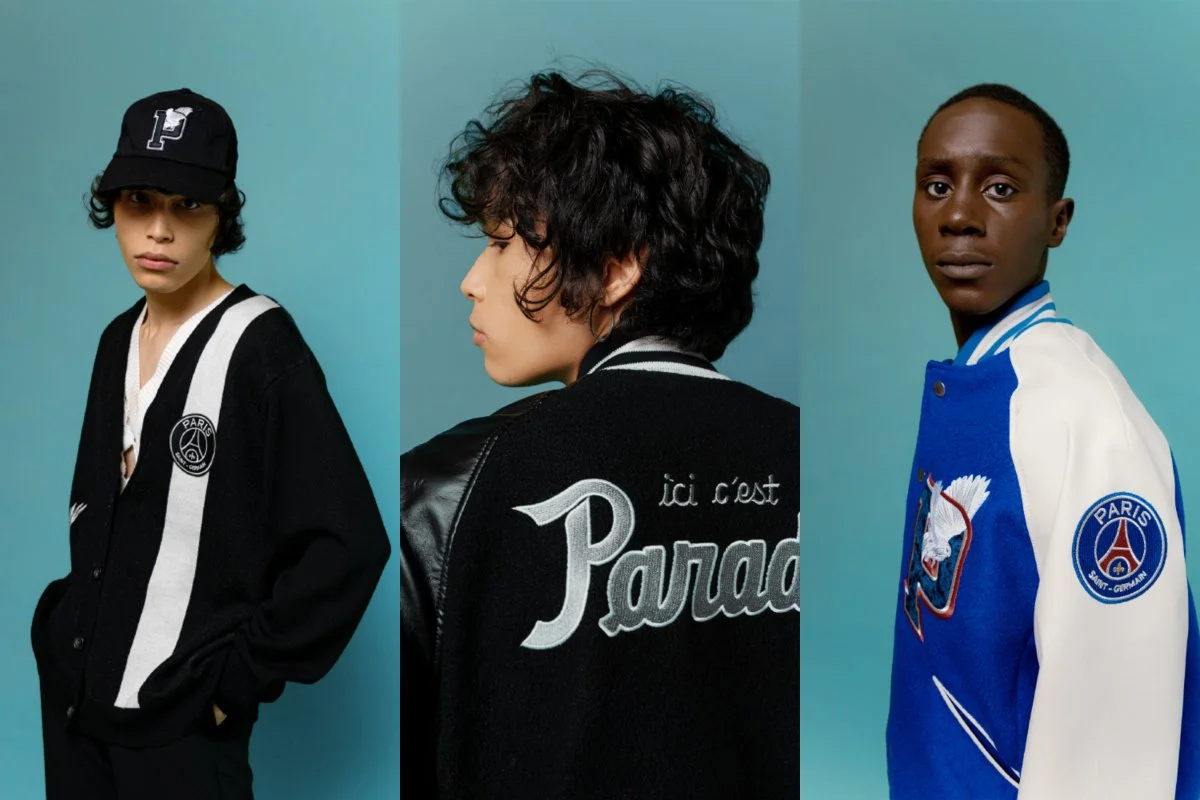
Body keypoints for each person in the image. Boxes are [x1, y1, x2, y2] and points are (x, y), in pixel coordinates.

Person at [400, 70, 799, 798]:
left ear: (615, 271)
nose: (472, 280)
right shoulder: (806, 452)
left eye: (501, 243)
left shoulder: (450, 487)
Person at [30, 88, 392, 799]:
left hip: (181, 721)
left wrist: (234, 681)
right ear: (113, 207)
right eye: (138, 200)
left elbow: (349, 543)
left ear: (222, 215)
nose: (159, 230)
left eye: (187, 205)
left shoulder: (261, 346)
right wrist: (57, 626)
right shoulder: (116, 339)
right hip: (76, 702)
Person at [886, 83, 1200, 799]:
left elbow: (1118, 733)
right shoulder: (982, 380)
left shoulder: (1082, 418)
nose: (959, 216)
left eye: (1000, 188)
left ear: (1057, 221)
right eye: (937, 185)